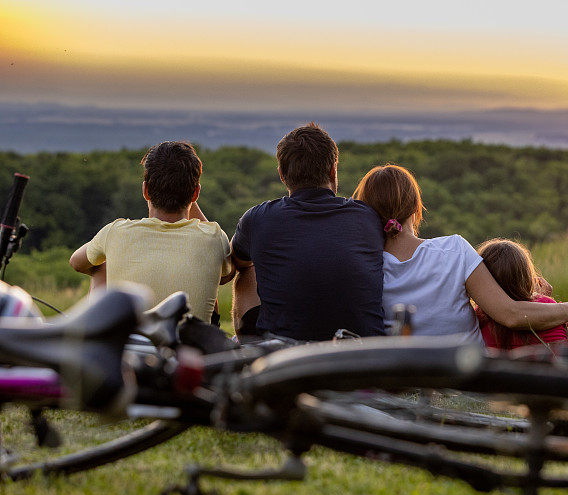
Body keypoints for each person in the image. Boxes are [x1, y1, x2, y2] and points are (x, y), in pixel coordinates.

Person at [352, 164, 568, 343]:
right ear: (415, 208)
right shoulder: (454, 249)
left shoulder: (362, 266)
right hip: (465, 374)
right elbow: (510, 314)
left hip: (402, 375)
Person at [230, 123, 384, 341]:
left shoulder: (257, 219)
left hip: (284, 355)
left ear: (282, 175)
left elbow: (237, 261)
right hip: (359, 354)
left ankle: (249, 344)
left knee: (247, 270)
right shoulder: (368, 217)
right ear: (333, 170)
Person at [69, 141, 233, 323]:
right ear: (196, 194)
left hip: (129, 346)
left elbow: (76, 262)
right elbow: (227, 276)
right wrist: (184, 192)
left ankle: (100, 334)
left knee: (100, 264)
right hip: (189, 345)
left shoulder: (114, 232)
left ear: (145, 190)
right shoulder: (214, 236)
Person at [474, 238, 568, 350]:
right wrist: (543, 300)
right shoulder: (552, 308)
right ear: (526, 275)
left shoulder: (479, 317)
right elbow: (567, 343)